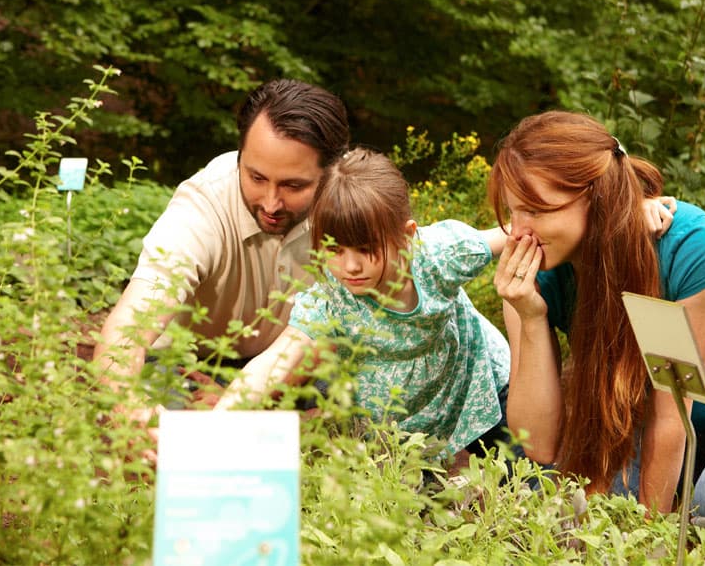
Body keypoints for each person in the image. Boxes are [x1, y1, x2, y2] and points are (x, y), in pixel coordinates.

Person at [487, 110, 705, 562]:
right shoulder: (533, 277)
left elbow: (671, 414)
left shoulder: (688, 249)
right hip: (646, 420)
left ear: (596, 197)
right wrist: (529, 314)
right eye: (512, 211)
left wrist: (645, 545)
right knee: (574, 511)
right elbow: (539, 442)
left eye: (537, 210)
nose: (517, 232)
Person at [215, 147, 513, 462]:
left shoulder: (438, 256)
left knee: (525, 475)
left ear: (406, 236)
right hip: (405, 422)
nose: (350, 267)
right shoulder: (332, 299)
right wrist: (215, 422)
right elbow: (277, 362)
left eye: (365, 249)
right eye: (335, 250)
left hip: (479, 384)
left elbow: (513, 234)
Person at [94, 78, 350, 427]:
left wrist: (242, 399)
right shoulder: (202, 205)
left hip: (289, 367)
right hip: (189, 364)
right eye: (256, 177)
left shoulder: (348, 200)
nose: (271, 203)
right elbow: (127, 329)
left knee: (354, 387)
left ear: (331, 173)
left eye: (293, 185)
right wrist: (130, 413)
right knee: (165, 413)